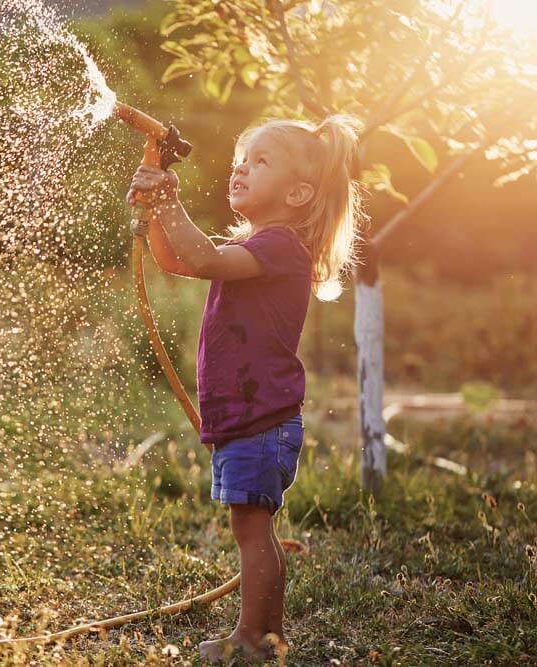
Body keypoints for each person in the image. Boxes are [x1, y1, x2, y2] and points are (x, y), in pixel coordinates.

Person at [126, 114, 365, 663]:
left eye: (260, 162)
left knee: (252, 529)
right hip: (249, 415)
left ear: (299, 192)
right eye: (240, 160)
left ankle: (256, 639)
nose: (240, 170)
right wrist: (156, 216)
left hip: (263, 418)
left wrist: (166, 200)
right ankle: (261, 635)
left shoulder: (282, 247)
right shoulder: (257, 244)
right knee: (251, 526)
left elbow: (203, 258)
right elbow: (179, 260)